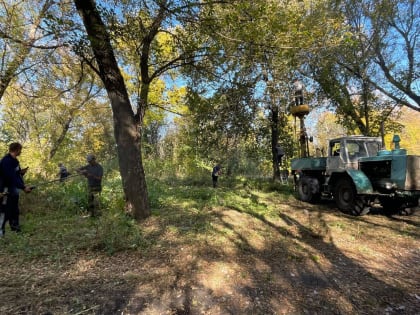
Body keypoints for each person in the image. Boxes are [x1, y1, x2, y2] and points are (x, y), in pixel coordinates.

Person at [0, 142, 33, 236]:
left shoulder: (15, 161)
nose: (21, 151)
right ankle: (1, 232)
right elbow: (10, 177)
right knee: (4, 211)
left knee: (15, 210)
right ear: (16, 149)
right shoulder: (6, 161)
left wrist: (21, 173)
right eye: (20, 149)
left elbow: (17, 175)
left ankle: (16, 229)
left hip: (14, 189)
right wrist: (23, 187)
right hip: (5, 190)